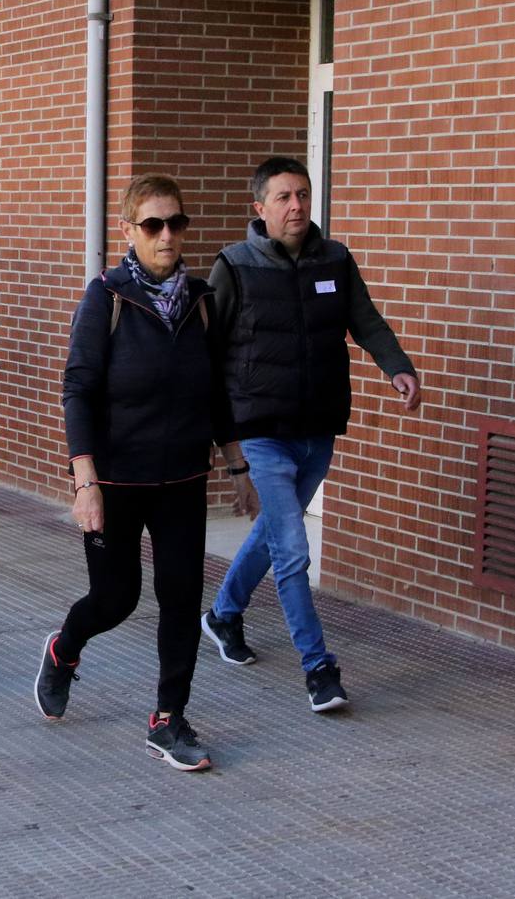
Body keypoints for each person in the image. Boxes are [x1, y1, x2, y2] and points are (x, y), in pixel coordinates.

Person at [33, 175, 254, 773]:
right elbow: (77, 389)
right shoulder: (105, 297)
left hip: (182, 480)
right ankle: (65, 648)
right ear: (128, 230)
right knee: (115, 597)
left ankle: (168, 719)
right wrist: (85, 482)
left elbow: (216, 394)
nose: (166, 235)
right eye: (152, 224)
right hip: (116, 481)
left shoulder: (202, 302)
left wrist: (236, 466)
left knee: (182, 598)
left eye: (175, 223)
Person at [200, 157, 423, 713]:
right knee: (294, 548)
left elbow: (365, 319)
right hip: (260, 429)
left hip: (317, 426)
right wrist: (216, 432)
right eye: (283, 197)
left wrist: (396, 365)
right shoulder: (235, 265)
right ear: (260, 208)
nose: (296, 206)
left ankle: (224, 613)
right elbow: (209, 350)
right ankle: (319, 668)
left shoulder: (335, 259)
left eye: (302, 194)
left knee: (276, 534)